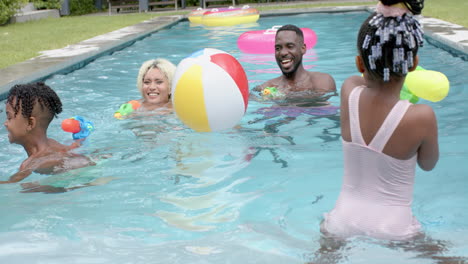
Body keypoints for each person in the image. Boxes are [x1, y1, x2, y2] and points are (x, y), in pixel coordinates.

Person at [1, 82, 96, 186]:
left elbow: (9, 185)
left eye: (9, 117)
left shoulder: (30, 164)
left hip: (86, 172)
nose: (5, 123)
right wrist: (79, 141)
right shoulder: (51, 143)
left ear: (30, 123)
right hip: (88, 162)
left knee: (29, 188)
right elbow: (69, 150)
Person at [252, 24, 336, 100]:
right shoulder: (268, 86)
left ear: (303, 49)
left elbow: (324, 103)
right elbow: (249, 98)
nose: (283, 53)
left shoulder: (321, 80)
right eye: (278, 48)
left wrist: (283, 96)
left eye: (290, 46)